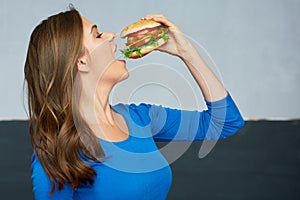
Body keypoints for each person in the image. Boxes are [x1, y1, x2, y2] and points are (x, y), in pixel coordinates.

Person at [24, 7, 244, 200]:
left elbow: (225, 123)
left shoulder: (140, 118)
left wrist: (185, 52)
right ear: (81, 61)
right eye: (98, 35)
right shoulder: (57, 153)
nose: (111, 36)